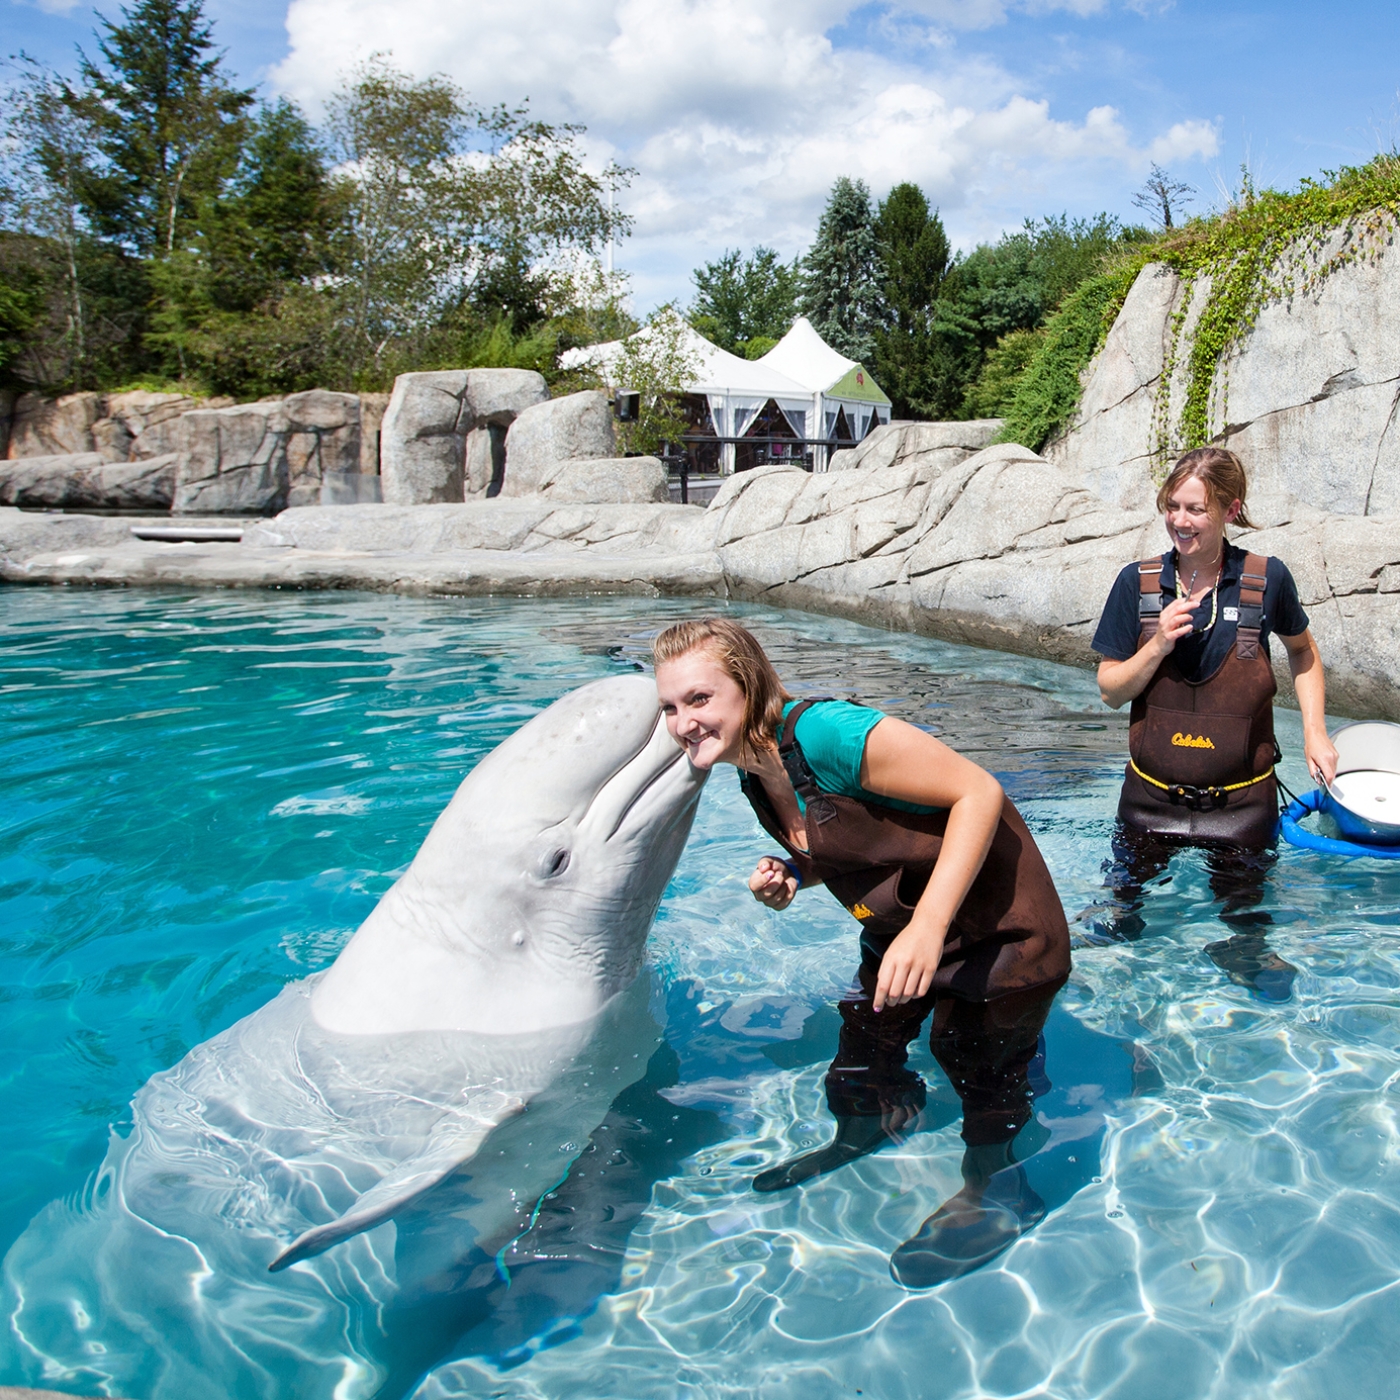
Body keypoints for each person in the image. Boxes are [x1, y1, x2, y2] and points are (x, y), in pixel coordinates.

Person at [652, 617, 1071, 1288]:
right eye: (670, 706)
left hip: (1002, 928)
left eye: (699, 699)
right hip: (903, 930)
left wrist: (929, 926)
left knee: (975, 1061)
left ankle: (1001, 1192)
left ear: (749, 683)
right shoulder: (756, 772)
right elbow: (858, 839)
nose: (682, 721)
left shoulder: (827, 734)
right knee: (860, 1055)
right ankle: (866, 1128)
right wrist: (796, 872)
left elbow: (978, 792)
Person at [1089, 446, 1338, 999]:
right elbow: (1110, 691)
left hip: (1242, 807)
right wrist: (1156, 645)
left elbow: (1303, 652)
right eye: (1172, 506)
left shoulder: (1266, 580)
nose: (1180, 520)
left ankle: (1236, 955)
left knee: (1252, 940)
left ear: (1230, 509)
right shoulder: (1137, 583)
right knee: (1114, 928)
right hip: (1149, 803)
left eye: (1196, 509)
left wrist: (1315, 732)